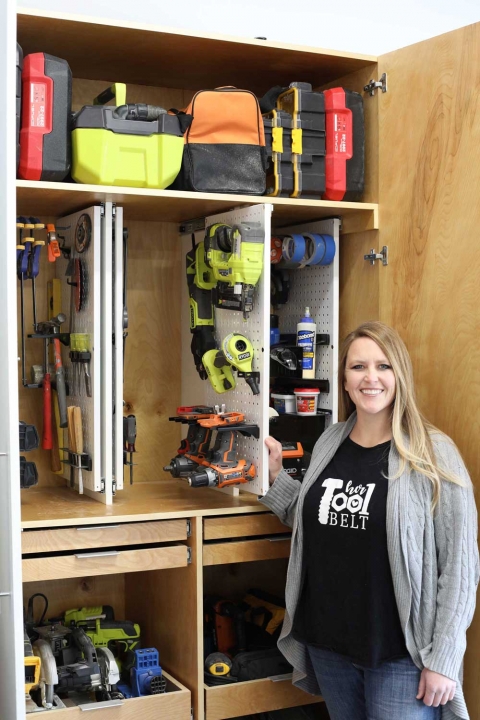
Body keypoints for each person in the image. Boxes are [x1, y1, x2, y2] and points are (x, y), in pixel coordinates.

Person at [262, 321, 479, 720]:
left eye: (383, 366)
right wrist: (276, 479)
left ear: (400, 376)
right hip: (330, 644)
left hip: (400, 656)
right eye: (358, 367)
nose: (370, 378)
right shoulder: (330, 443)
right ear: (344, 380)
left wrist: (444, 657)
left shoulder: (433, 454)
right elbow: (318, 520)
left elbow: (460, 567)